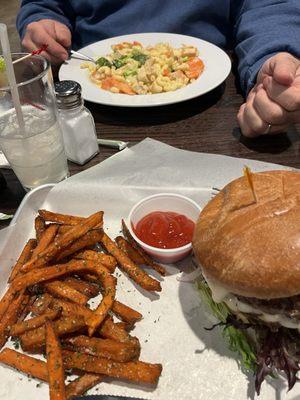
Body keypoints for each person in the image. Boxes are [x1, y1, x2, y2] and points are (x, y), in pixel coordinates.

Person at [16, 0, 300, 138]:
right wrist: (43, 21)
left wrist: (271, 58)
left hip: (217, 108)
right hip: (82, 108)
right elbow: (43, 3)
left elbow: (269, 5)